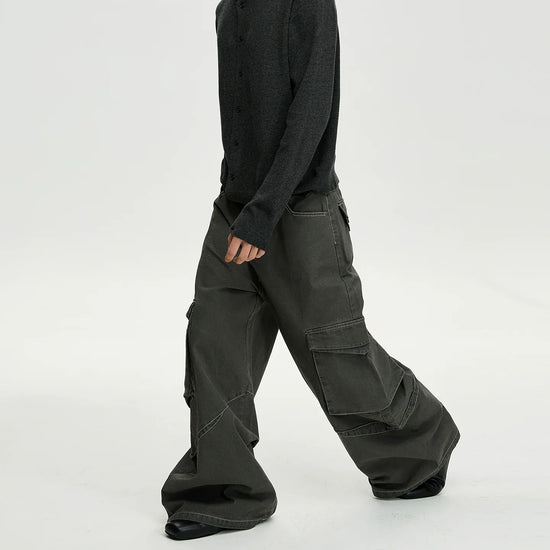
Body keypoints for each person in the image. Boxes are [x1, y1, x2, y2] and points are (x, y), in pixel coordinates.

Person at [161, 0, 461, 541]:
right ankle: (223, 491)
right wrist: (239, 196)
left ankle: (420, 443)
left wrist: (264, 214)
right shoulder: (229, 7)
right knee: (213, 339)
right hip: (237, 209)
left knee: (334, 354)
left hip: (300, 212)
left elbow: (312, 113)